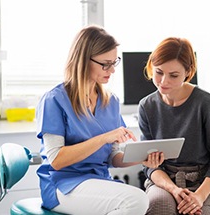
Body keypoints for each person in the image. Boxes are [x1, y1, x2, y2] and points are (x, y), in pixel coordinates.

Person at [35, 25, 164, 215]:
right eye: (105, 64)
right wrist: (104, 137)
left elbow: (113, 158)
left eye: (114, 63)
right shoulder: (54, 100)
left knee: (138, 200)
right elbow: (56, 160)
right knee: (135, 200)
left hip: (99, 180)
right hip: (63, 184)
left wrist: (142, 159)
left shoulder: (110, 102)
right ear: (82, 60)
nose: (111, 70)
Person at [138, 37, 210, 215]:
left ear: (187, 72)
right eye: (158, 72)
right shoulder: (146, 106)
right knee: (160, 208)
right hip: (164, 181)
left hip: (205, 182)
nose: (164, 81)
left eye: (173, 75)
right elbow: (150, 166)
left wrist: (199, 197)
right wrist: (174, 190)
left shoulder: (205, 103)